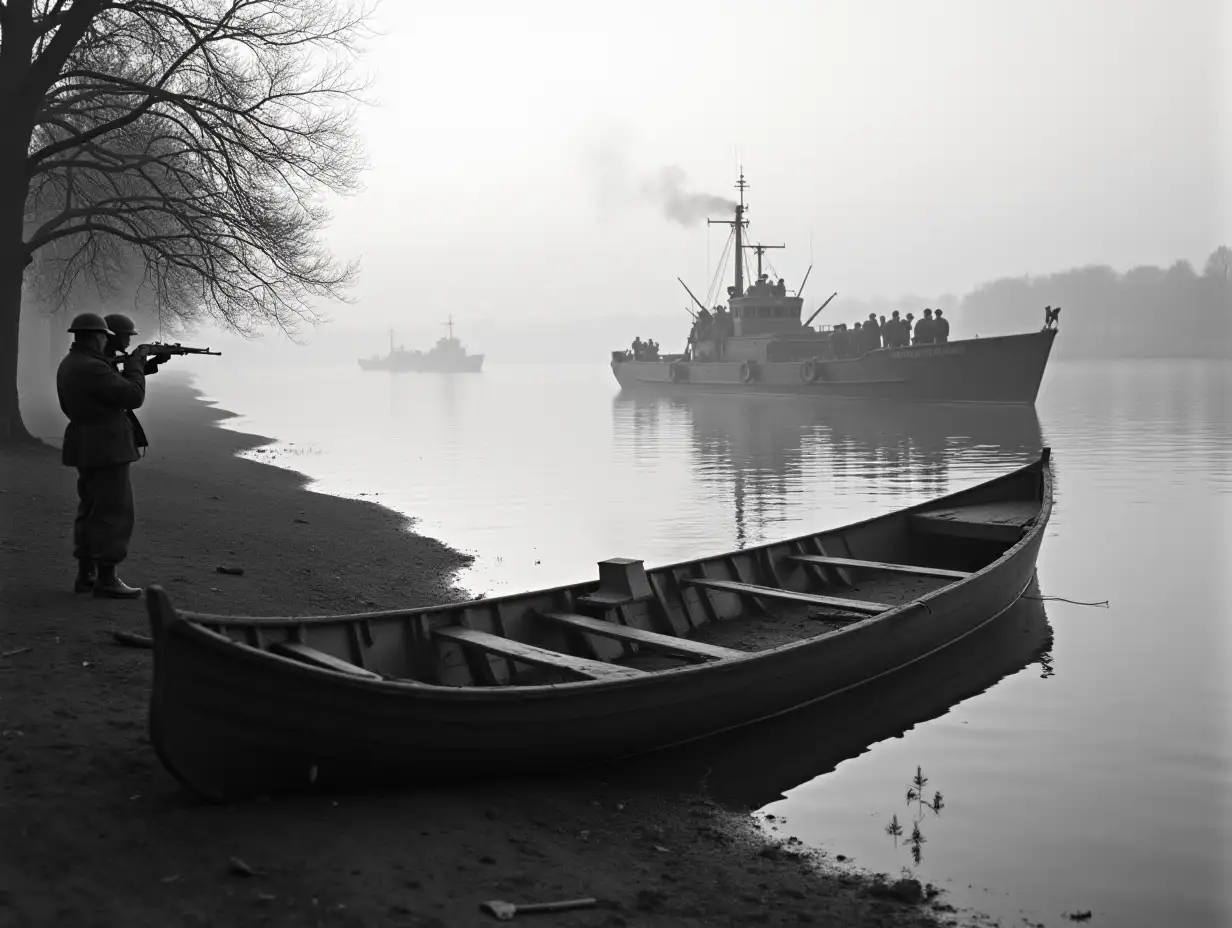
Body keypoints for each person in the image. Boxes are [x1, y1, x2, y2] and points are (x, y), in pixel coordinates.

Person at [56, 313, 150, 598]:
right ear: (98, 336)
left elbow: (109, 389)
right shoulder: (92, 367)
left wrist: (144, 368)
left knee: (92, 509)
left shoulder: (74, 363)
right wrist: (135, 368)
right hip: (106, 445)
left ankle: (86, 575)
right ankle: (107, 578)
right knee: (114, 512)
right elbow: (133, 396)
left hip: (87, 443)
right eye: (104, 336)